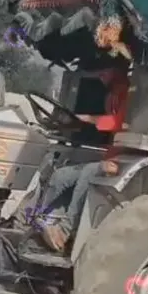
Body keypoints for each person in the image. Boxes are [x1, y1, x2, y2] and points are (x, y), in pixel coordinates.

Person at [40, 68, 129, 252]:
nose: (100, 74)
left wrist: (86, 118)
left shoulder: (130, 92)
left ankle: (65, 232)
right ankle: (41, 218)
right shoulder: (113, 93)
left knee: (89, 172)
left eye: (105, 70)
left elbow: (122, 122)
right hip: (110, 155)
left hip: (123, 159)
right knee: (61, 175)